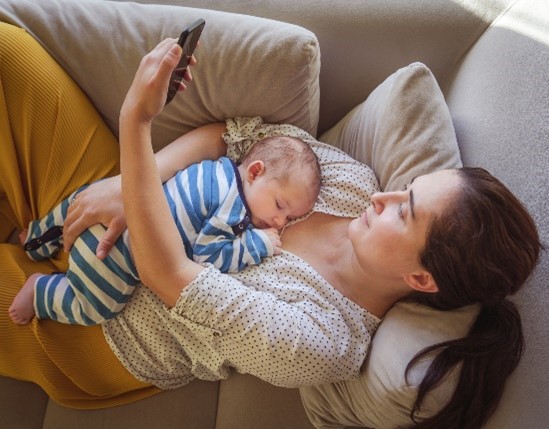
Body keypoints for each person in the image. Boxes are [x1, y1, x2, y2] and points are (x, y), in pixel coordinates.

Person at [0, 22, 542, 428]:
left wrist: (135, 122)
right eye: (407, 188)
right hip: (113, 201)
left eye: (406, 210)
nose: (384, 195)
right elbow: (233, 140)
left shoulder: (322, 341)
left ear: (423, 280)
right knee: (11, 51)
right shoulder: (351, 184)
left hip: (97, 325)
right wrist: (131, 181)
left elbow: (166, 273)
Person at [8, 134, 321, 326]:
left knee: (75, 205)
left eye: (290, 217)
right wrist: (258, 243)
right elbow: (208, 256)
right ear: (255, 172)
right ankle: (41, 293)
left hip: (102, 212)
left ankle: (36, 239)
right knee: (96, 309)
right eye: (280, 206)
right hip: (116, 256)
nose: (280, 222)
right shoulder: (233, 209)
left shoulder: (216, 168)